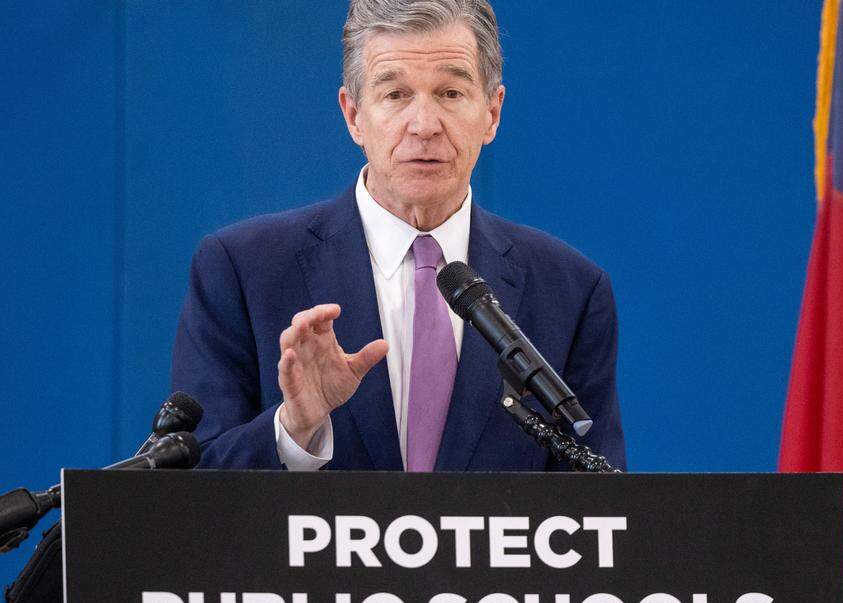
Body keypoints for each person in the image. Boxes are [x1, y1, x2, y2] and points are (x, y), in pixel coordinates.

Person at [171, 0, 625, 471]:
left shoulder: (570, 291)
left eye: (450, 93)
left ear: (492, 113)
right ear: (353, 115)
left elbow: (602, 510)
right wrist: (295, 428)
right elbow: (194, 487)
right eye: (395, 95)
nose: (424, 125)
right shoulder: (244, 270)